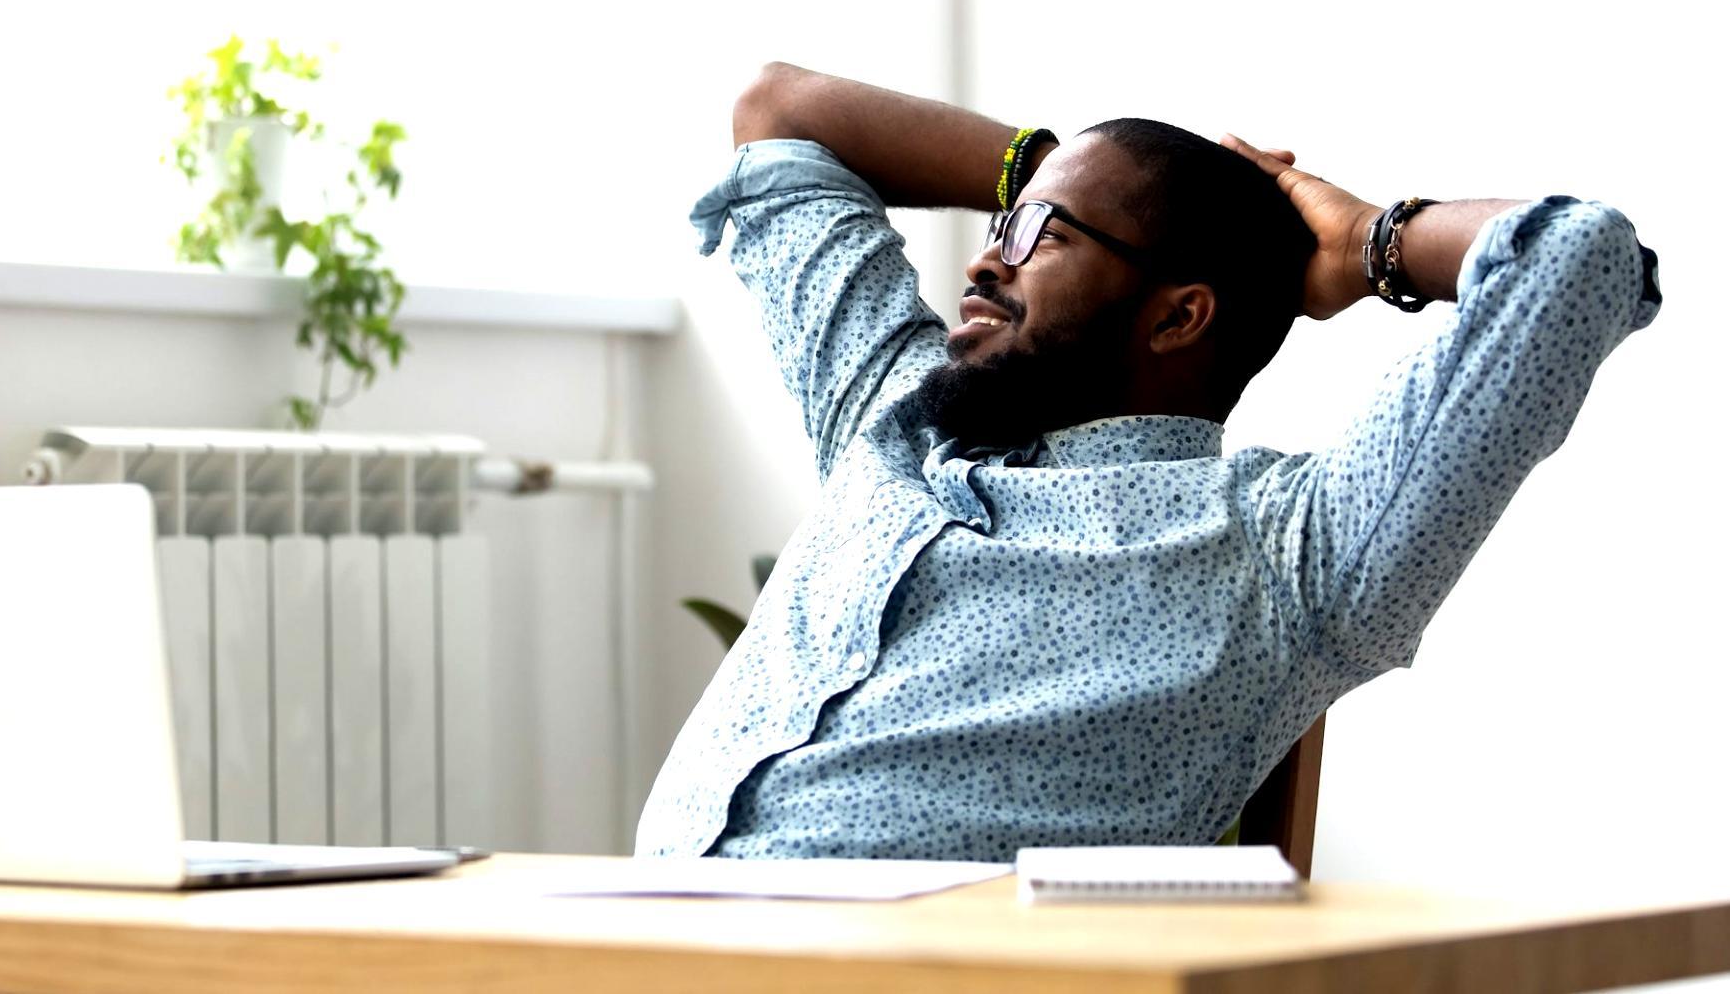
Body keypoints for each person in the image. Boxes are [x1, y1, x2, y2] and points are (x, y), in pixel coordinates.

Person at [636, 62, 1662, 861]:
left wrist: (1358, 242)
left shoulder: (1289, 549)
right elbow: (778, 111)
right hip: (616, 942)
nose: (987, 256)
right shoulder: (898, 414)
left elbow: (1577, 257)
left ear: (1179, 314)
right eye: (1005, 222)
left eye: (1040, 233)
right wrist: (1065, 164)